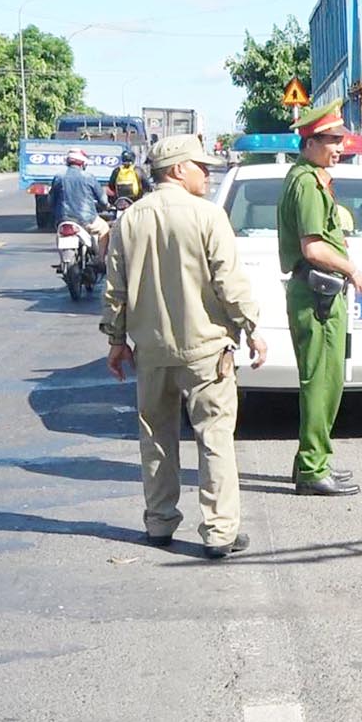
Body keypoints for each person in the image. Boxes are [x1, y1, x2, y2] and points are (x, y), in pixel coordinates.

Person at [100, 134, 267, 560]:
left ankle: (159, 523)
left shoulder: (130, 220)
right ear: (177, 169)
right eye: (200, 166)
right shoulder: (208, 216)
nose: (207, 174)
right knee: (214, 436)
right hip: (206, 349)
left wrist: (117, 342)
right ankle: (219, 532)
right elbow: (229, 282)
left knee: (156, 436)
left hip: (151, 350)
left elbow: (115, 289)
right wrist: (251, 327)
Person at [278, 102, 362, 497]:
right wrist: (351, 269)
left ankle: (311, 462)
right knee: (321, 383)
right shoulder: (308, 183)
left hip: (320, 293)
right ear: (310, 142)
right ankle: (314, 469)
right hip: (317, 293)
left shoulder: (310, 178)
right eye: (332, 140)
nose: (340, 147)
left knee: (327, 382)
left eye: (341, 139)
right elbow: (313, 247)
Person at [51, 149, 111, 263]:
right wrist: (107, 206)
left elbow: (51, 200)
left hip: (63, 219)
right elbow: (103, 200)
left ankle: (62, 261)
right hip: (86, 220)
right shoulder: (88, 177)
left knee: (59, 234)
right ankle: (101, 260)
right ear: (83, 163)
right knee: (104, 229)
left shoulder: (59, 177)